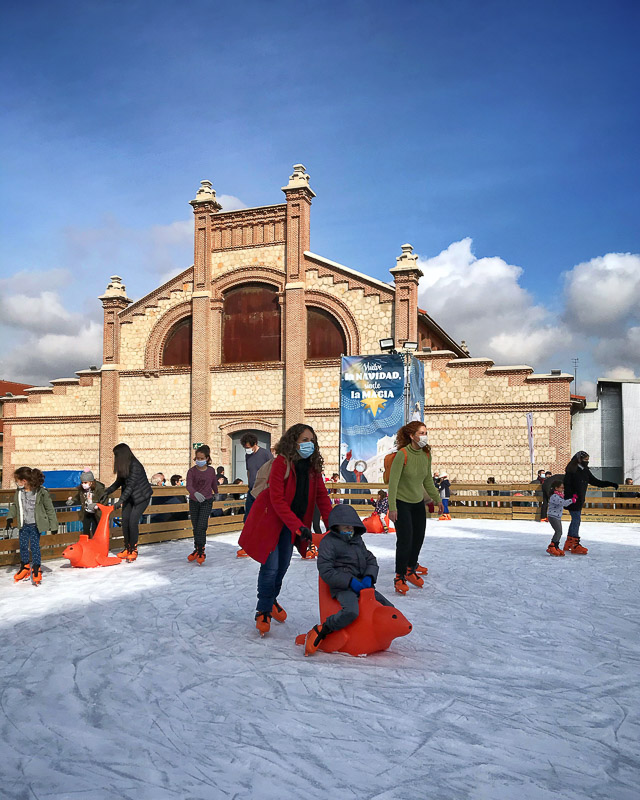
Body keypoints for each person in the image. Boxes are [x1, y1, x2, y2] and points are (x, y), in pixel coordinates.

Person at [239, 423, 332, 636]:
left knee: (282, 566)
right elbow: (277, 499)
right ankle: (263, 609)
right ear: (294, 442)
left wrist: (333, 524)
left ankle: (271, 600)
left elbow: (322, 497)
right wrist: (298, 526)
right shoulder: (282, 462)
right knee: (270, 566)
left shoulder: (312, 467)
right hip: (273, 521)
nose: (310, 444)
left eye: (312, 440)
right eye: (305, 440)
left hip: (292, 525)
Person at [304, 504, 395, 655]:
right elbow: (326, 570)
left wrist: (369, 576)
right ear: (336, 526)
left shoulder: (357, 540)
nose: (350, 531)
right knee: (352, 611)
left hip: (362, 584)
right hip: (343, 587)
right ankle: (324, 629)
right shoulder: (329, 542)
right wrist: (349, 581)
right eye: (346, 528)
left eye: (352, 528)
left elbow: (370, 559)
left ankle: (377, 637)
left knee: (388, 608)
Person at [388, 422, 443, 594]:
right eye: (421, 433)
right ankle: (399, 576)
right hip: (401, 502)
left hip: (417, 502)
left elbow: (427, 480)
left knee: (418, 537)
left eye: (426, 432)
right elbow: (393, 483)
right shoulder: (402, 455)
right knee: (405, 540)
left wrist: (437, 499)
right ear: (412, 436)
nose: (424, 436)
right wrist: (392, 507)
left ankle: (411, 569)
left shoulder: (426, 454)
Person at [8, 467, 58, 585]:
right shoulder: (19, 492)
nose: (17, 483)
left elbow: (49, 509)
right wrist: (10, 517)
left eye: (17, 480)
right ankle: (25, 567)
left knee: (34, 547)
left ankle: (36, 567)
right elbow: (15, 506)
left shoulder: (41, 492)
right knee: (23, 546)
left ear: (24, 481)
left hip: (36, 525)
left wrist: (54, 525)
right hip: (23, 524)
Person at [104, 443, 153, 562]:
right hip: (130, 497)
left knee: (132, 521)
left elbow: (130, 486)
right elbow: (119, 482)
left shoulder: (135, 465)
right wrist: (107, 491)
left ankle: (133, 549)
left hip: (141, 497)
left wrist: (120, 501)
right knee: (125, 521)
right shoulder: (124, 466)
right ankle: (127, 547)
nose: (114, 458)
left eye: (116, 455)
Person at [563, 451, 618, 554]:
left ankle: (569, 543)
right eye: (585, 460)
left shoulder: (585, 470)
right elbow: (567, 485)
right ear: (579, 459)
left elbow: (596, 482)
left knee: (575, 520)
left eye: (588, 460)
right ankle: (574, 544)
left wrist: (610, 483)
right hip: (572, 500)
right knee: (576, 520)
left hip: (579, 500)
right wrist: (571, 497)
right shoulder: (572, 470)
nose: (587, 462)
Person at [185, 445, 218, 564]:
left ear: (207, 458)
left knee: (201, 525)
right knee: (195, 526)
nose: (199, 460)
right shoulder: (192, 471)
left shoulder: (211, 471)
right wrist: (194, 493)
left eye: (201, 458)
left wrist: (217, 493)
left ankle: (201, 549)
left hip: (207, 501)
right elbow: (188, 485)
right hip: (194, 501)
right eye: (197, 458)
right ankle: (197, 548)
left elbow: (214, 483)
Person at [66, 469, 107, 538]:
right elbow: (78, 496)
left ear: (91, 482)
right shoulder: (82, 490)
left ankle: (95, 545)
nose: (83, 485)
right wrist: (72, 500)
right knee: (86, 530)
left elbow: (104, 499)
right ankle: (87, 544)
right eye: (82, 483)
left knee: (96, 530)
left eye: (85, 482)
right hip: (87, 512)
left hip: (96, 513)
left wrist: (97, 505)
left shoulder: (99, 488)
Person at [546, 480, 577, 556]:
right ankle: (552, 546)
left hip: (557, 516)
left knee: (559, 532)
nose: (563, 489)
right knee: (558, 531)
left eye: (563, 488)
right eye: (561, 487)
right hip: (553, 516)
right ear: (556, 488)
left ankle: (556, 546)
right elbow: (563, 503)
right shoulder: (554, 496)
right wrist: (572, 500)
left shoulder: (559, 495)